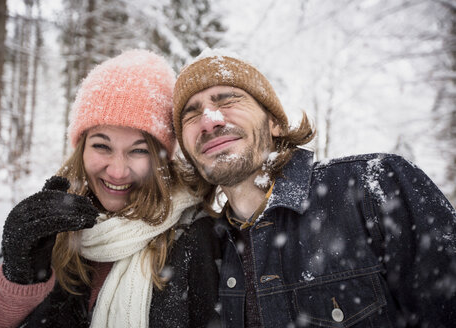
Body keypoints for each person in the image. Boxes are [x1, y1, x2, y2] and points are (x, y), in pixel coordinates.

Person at [172, 49, 456, 327]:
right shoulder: (206, 246)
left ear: (274, 123)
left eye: (228, 100)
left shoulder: (377, 187)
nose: (209, 120)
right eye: (191, 114)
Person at [0, 49, 220, 328]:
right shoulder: (46, 225)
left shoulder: (196, 236)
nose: (117, 171)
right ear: (81, 149)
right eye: (102, 146)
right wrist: (18, 286)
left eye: (138, 151)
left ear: (162, 159)